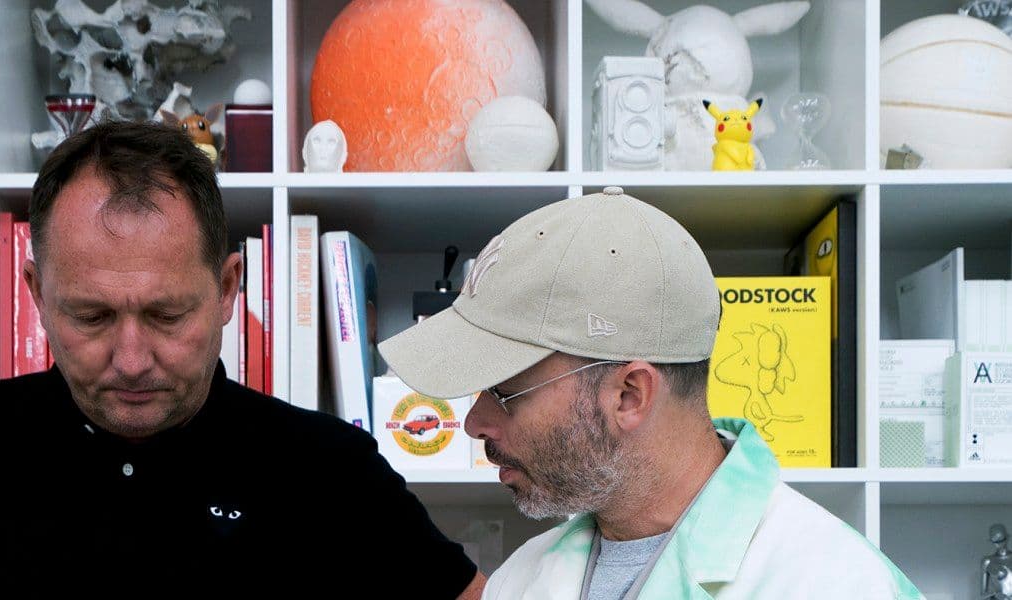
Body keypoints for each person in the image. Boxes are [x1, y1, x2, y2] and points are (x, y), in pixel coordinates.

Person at [0, 121, 486, 599]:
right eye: (91, 316)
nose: (130, 359)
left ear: (230, 289)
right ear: (36, 294)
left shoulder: (327, 468)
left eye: (167, 315)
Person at [378, 188, 921, 599]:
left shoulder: (833, 582)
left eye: (504, 391)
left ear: (630, 395)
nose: (474, 423)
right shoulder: (523, 578)